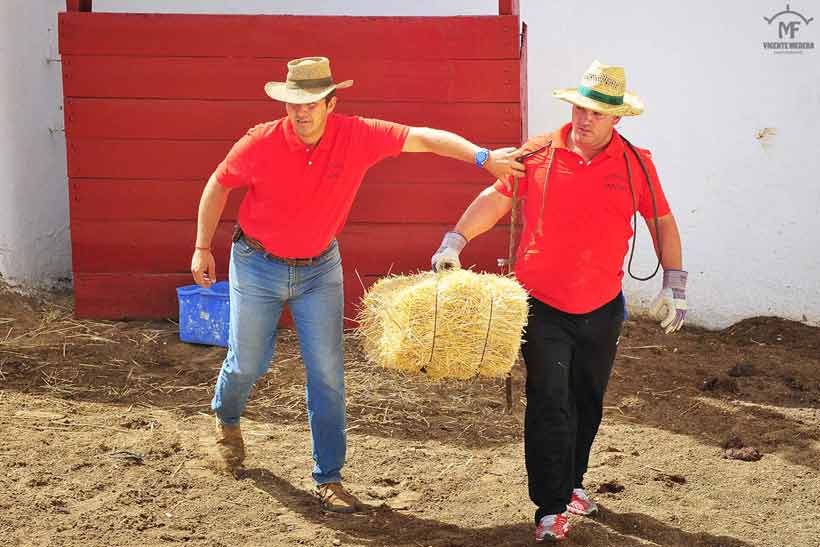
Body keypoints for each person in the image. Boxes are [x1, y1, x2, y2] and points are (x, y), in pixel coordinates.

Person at [190, 56, 525, 513]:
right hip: (257, 263)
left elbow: (423, 138)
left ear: (332, 102)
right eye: (293, 103)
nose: (301, 112)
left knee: (327, 373)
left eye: (311, 103)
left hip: (318, 269)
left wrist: (482, 157)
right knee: (248, 361)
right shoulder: (259, 141)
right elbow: (218, 183)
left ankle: (329, 477)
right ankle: (226, 417)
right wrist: (202, 246)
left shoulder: (359, 133)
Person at [431, 60, 687, 542]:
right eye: (579, 108)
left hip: (603, 306)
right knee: (550, 401)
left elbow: (662, 221)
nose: (584, 119)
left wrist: (675, 283)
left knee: (586, 402)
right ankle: (549, 508)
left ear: (618, 119)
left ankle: (572, 485)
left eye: (596, 112)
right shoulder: (538, 153)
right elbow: (497, 195)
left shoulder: (636, 164)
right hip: (542, 304)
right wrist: (454, 240)